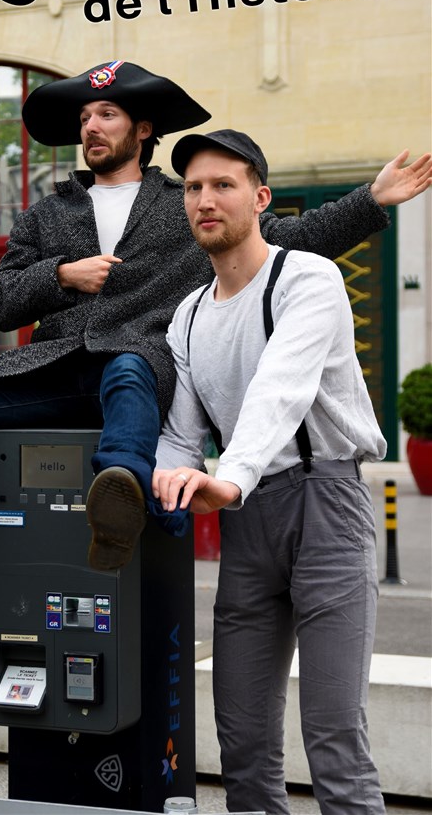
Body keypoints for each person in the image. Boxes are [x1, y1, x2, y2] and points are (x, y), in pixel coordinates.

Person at [0, 60, 429, 594]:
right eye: (85, 117)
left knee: (129, 366)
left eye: (107, 114)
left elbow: (290, 236)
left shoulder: (188, 204)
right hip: (50, 370)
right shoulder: (49, 212)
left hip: (139, 373)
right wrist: (61, 276)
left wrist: (371, 200)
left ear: (143, 129)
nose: (92, 126)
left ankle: (118, 498)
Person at [152, 128, 396, 814]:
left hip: (326, 506)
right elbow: (180, 435)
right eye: (193, 188)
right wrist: (168, 480)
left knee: (334, 738)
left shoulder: (307, 279)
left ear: (260, 198)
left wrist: (229, 476)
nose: (205, 200)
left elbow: (279, 389)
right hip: (249, 521)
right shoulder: (188, 317)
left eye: (223, 185)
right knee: (244, 745)